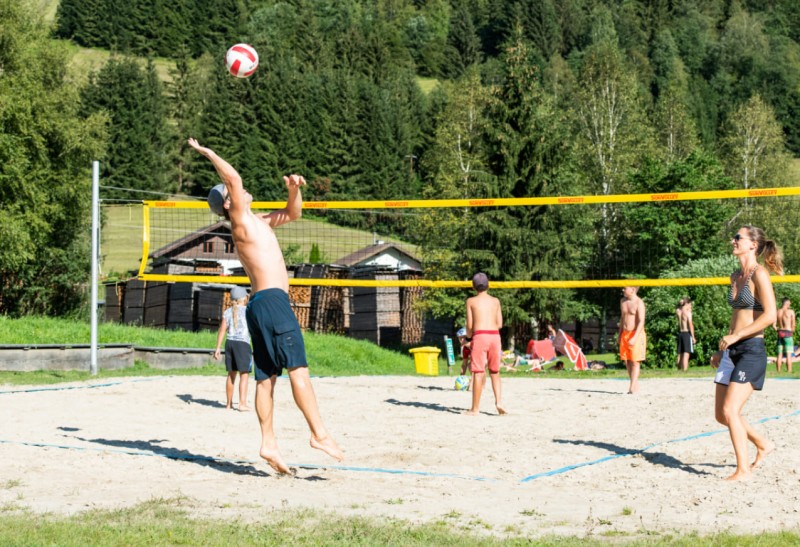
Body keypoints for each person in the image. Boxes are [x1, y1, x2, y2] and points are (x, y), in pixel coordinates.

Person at [189, 137, 343, 474]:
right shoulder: (241, 221)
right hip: (272, 302)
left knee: (265, 379)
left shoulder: (255, 221)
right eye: (233, 194)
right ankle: (319, 434)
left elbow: (294, 212)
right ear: (229, 205)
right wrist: (209, 153)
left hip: (260, 305)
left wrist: (293, 188)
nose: (242, 192)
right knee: (298, 370)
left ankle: (269, 442)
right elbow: (234, 180)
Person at [710, 225, 778, 481]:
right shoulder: (735, 275)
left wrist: (738, 336)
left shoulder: (759, 274)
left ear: (753, 244)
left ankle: (743, 470)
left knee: (730, 411)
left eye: (738, 237)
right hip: (733, 349)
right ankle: (763, 443)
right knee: (721, 415)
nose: (733, 241)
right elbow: (737, 315)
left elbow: (770, 316)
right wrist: (725, 345)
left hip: (751, 349)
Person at [464, 272, 507, 415]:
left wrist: (468, 338)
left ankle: (475, 409)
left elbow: (469, 326)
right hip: (495, 336)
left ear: (473, 286)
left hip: (480, 336)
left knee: (478, 372)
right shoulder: (496, 301)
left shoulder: (471, 301)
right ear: (488, 285)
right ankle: (499, 402)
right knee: (495, 371)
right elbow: (500, 324)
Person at [214, 286, 252, 411]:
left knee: (231, 374)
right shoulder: (248, 311)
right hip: (243, 344)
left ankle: (228, 404)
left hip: (230, 343)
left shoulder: (228, 311)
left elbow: (222, 330)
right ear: (244, 298)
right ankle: (242, 403)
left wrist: (218, 347)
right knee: (244, 374)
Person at [619, 285, 646, 394]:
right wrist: (620, 334)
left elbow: (641, 321)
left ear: (633, 290)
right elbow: (622, 319)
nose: (623, 290)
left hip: (636, 334)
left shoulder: (639, 302)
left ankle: (632, 386)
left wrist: (635, 338)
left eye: (625, 288)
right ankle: (634, 385)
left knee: (635, 361)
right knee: (628, 361)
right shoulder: (623, 301)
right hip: (625, 334)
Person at [774, 297, 795, 373]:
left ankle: (778, 371)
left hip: (780, 333)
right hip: (788, 333)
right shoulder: (790, 312)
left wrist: (777, 329)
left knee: (779, 354)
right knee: (789, 354)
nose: (790, 304)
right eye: (789, 303)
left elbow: (774, 325)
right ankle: (789, 371)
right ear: (786, 303)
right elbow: (793, 324)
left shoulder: (778, 312)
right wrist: (792, 330)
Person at [675, 297, 695, 371]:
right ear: (687, 303)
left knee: (680, 352)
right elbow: (690, 325)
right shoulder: (688, 313)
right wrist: (693, 337)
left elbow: (678, 307)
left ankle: (679, 369)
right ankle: (685, 370)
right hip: (686, 333)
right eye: (690, 304)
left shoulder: (678, 311)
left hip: (680, 333)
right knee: (686, 353)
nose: (691, 306)